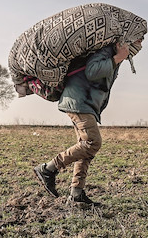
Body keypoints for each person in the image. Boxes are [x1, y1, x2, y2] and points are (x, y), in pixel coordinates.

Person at [34, 39, 140, 206]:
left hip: (84, 102)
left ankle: (76, 194)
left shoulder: (110, 53)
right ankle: (47, 169)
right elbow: (91, 71)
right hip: (78, 101)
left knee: (85, 148)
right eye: (130, 45)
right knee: (92, 142)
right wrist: (117, 58)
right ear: (121, 43)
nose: (131, 50)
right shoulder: (104, 51)